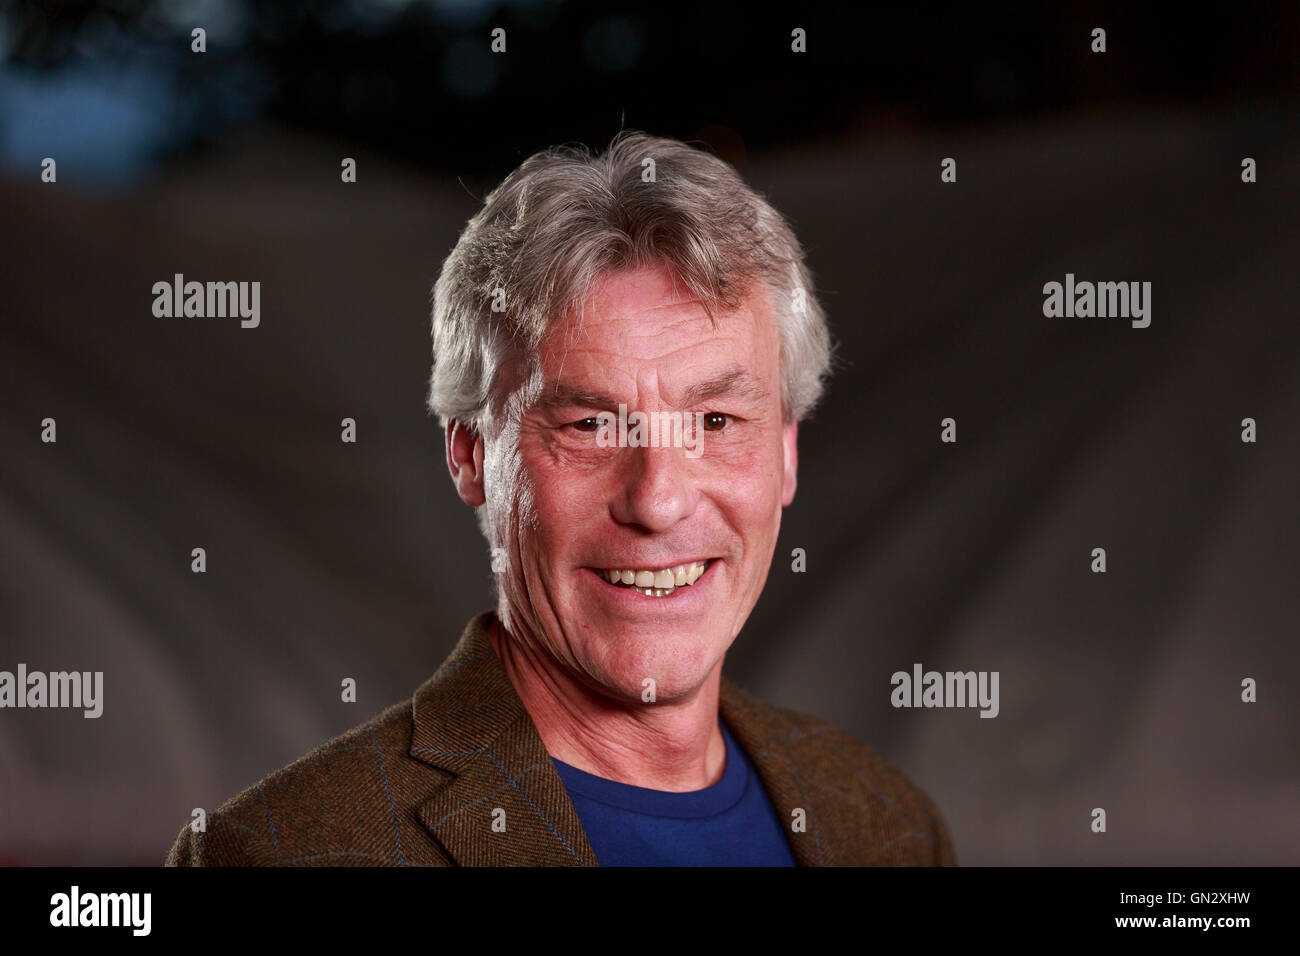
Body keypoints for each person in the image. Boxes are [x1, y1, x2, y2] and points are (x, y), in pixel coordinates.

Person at [166, 132, 955, 866]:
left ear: (784, 454)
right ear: (471, 457)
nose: (658, 500)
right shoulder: (284, 853)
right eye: (588, 425)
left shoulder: (889, 827)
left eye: (715, 421)